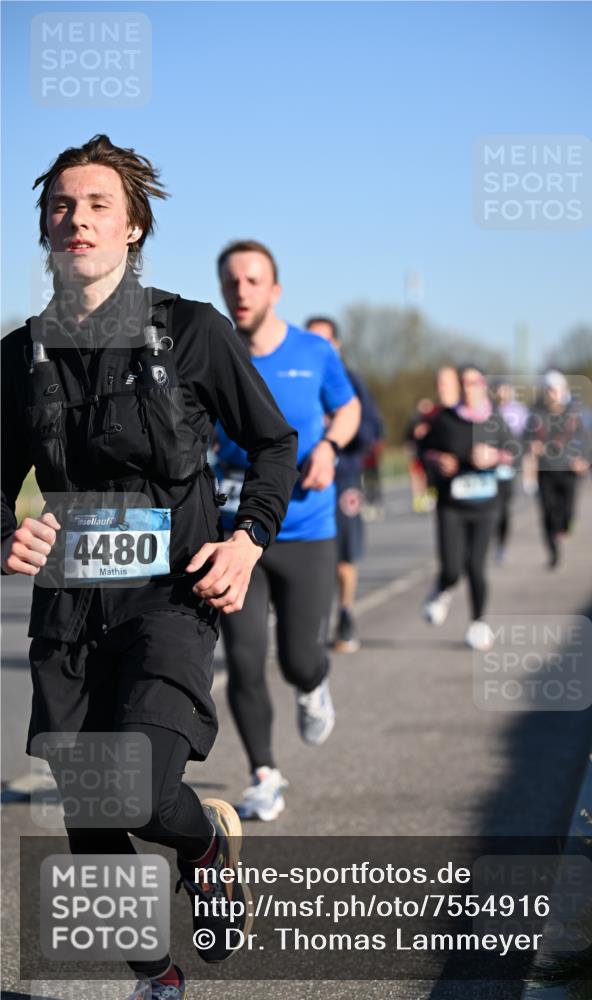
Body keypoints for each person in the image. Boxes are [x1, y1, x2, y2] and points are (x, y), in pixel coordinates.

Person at [1, 136, 298, 999]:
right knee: (90, 817)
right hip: (69, 609)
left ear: (132, 227)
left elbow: (274, 444)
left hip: (170, 596)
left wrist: (246, 540)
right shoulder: (18, 357)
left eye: (98, 204)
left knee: (135, 790)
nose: (77, 218)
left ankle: (204, 847)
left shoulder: (193, 331)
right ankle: (156, 979)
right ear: (45, 228)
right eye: (61, 205)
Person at [214, 242, 360, 820]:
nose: (241, 291)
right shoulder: (212, 352)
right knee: (244, 659)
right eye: (231, 282)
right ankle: (264, 774)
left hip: (305, 528)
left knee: (299, 659)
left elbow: (347, 408)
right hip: (235, 533)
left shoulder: (314, 351)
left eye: (253, 281)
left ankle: (313, 683)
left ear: (275, 290)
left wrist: (329, 447)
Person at [419, 366, 514, 651]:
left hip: (486, 505)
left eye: (475, 383)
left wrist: (494, 456)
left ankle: (478, 623)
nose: (470, 388)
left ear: (484, 386)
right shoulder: (445, 419)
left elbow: (515, 452)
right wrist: (437, 460)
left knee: (475, 566)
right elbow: (423, 450)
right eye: (465, 383)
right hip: (451, 505)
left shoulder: (495, 420)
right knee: (451, 567)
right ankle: (442, 587)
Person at [305, 315, 384, 652]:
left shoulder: (350, 381)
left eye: (324, 340)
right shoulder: (300, 376)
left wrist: (336, 438)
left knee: (343, 557)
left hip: (343, 478)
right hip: (304, 478)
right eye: (311, 339)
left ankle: (346, 614)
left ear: (336, 345)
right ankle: (308, 622)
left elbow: (372, 431)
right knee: (306, 555)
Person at [525, 370, 590, 568]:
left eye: (557, 390)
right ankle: (553, 553)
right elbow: (525, 439)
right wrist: (531, 447)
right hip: (545, 471)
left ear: (564, 391)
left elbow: (585, 440)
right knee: (547, 513)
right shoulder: (536, 415)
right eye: (550, 390)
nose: (553, 394)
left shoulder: (574, 414)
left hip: (568, 470)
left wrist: (583, 460)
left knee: (567, 511)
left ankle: (566, 526)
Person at [492, 380, 528, 563]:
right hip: (489, 466)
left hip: (508, 466)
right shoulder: (487, 409)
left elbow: (524, 438)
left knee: (503, 508)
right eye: (499, 391)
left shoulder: (519, 411)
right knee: (490, 507)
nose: (502, 394)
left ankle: (502, 544)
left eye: (505, 391)